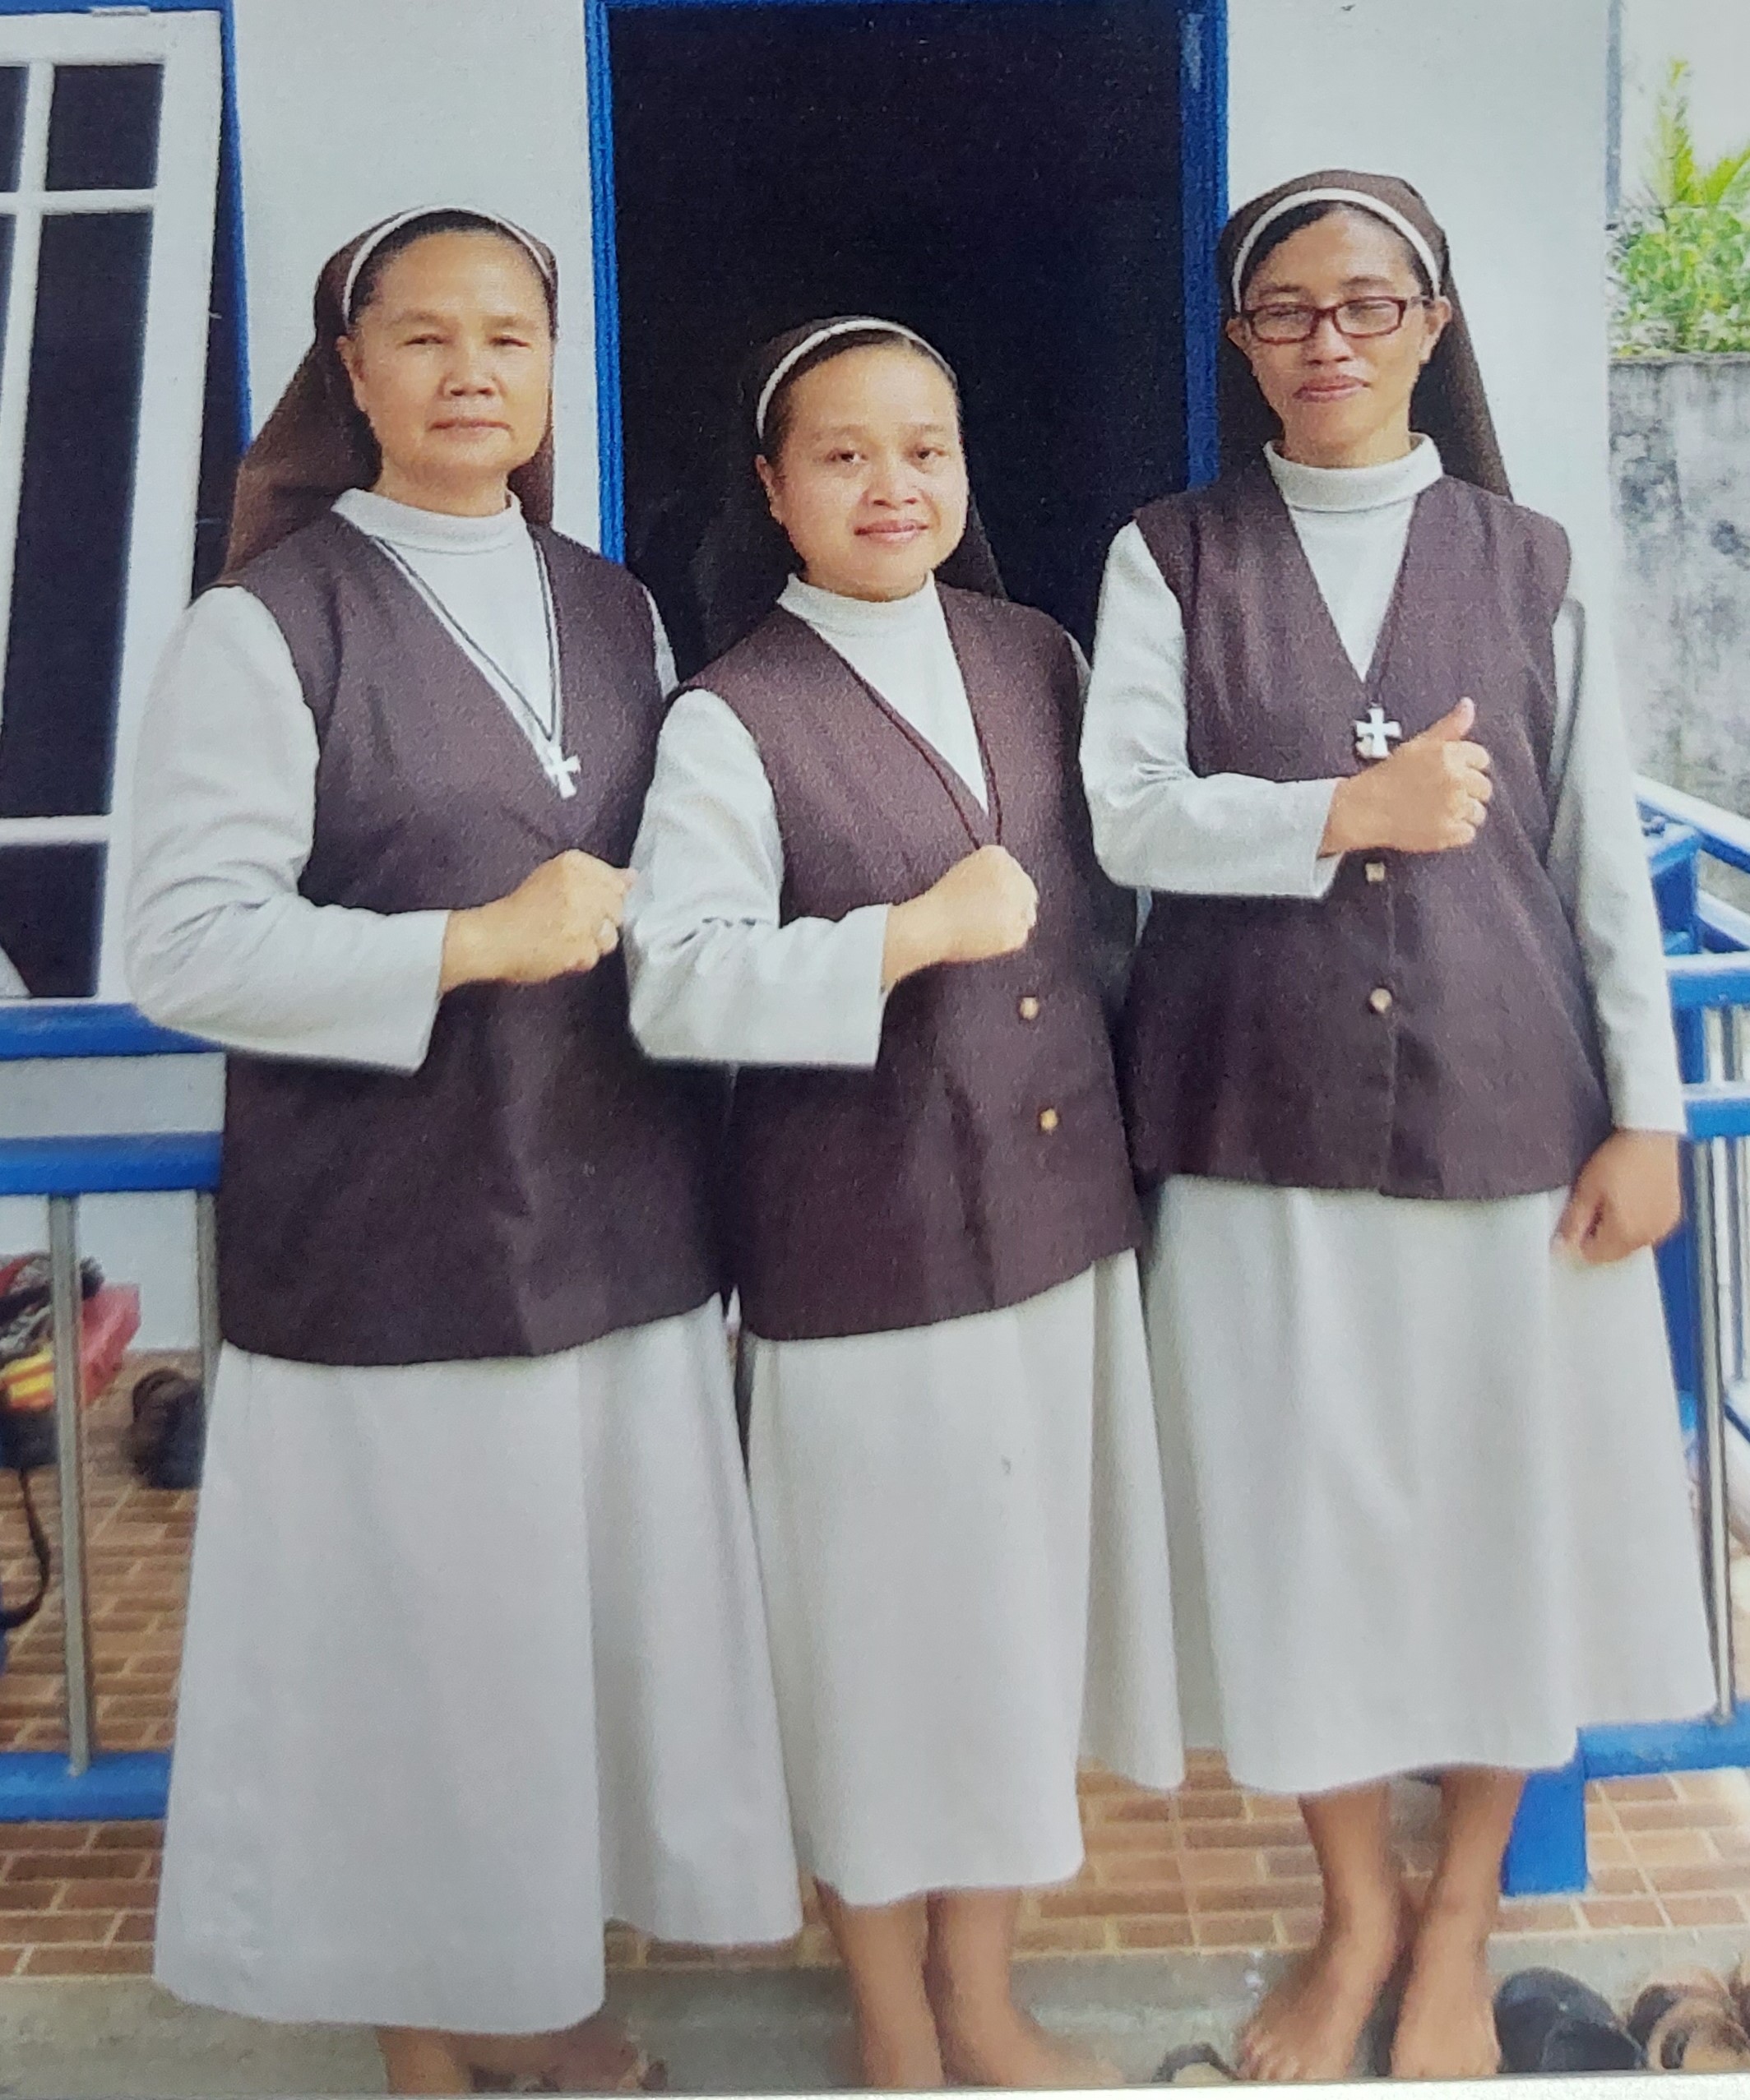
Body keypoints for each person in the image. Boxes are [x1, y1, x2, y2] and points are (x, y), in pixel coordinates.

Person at [126, 206, 799, 2097]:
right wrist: (467, 943)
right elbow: (181, 947)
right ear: (352, 370)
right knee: (413, 1667)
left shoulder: (615, 606)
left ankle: (532, 1997)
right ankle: (427, 2043)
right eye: (423, 337)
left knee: (548, 1661)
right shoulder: (266, 625)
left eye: (508, 335)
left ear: (549, 365)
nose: (471, 371)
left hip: (612, 1212)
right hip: (390, 1240)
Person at [1082, 169, 1715, 2084]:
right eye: (1284, 307)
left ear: (1430, 325)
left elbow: (1593, 855)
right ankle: (1352, 1902)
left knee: (1500, 1528)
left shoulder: (1528, 559)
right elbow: (1121, 808)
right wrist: (1333, 814)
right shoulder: (1166, 556)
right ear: (1239, 339)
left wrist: (1647, 1115)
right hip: (1255, 1127)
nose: (1327, 338)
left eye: (1365, 302)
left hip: (1509, 1128)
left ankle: (1455, 1926)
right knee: (1304, 1542)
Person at [625, 317, 1184, 2091]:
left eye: (924, 448)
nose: (893, 485)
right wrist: (903, 937)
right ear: (775, 489)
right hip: (861, 1248)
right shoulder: (728, 717)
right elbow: (674, 983)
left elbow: (1123, 916)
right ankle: (889, 2022)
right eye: (844, 453)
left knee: (1011, 1636)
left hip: (1055, 1232)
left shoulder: (1040, 656)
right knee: (871, 1651)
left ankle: (981, 1998)